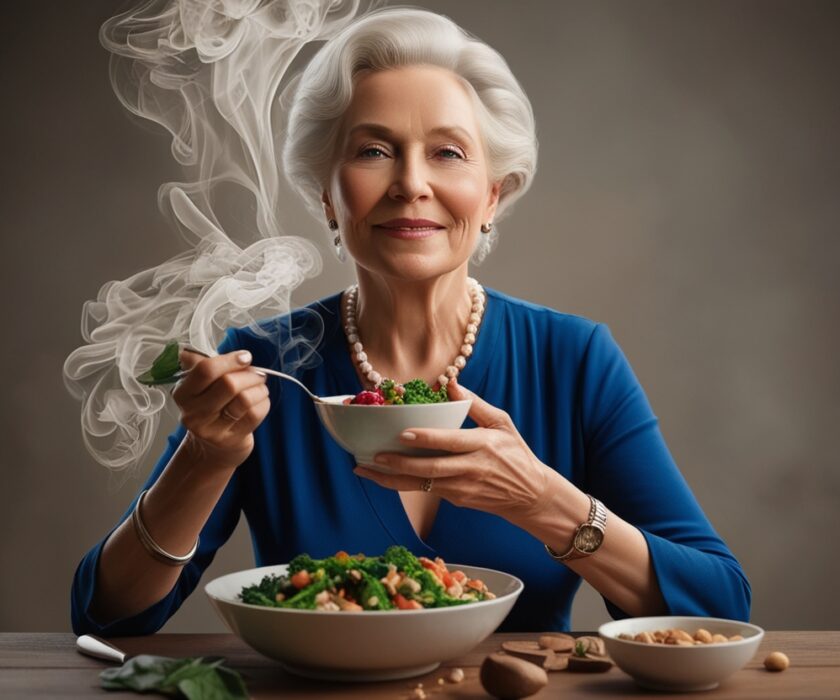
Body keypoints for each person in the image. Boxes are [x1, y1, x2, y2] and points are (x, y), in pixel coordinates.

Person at [71, 7, 750, 635]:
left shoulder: (573, 359)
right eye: (373, 150)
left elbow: (720, 603)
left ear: (492, 195)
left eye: (448, 152)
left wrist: (544, 501)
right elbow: (108, 617)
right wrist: (203, 459)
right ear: (327, 196)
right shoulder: (267, 364)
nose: (411, 184)